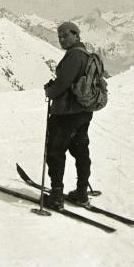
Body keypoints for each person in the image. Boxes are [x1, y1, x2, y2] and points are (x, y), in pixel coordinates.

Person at [40, 21, 95, 209]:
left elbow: (63, 83)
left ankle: (56, 196)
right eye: (60, 37)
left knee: (55, 151)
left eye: (65, 36)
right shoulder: (86, 55)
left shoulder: (74, 55)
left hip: (65, 113)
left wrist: (50, 91)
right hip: (83, 112)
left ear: (76, 35)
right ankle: (81, 193)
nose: (62, 39)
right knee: (81, 151)